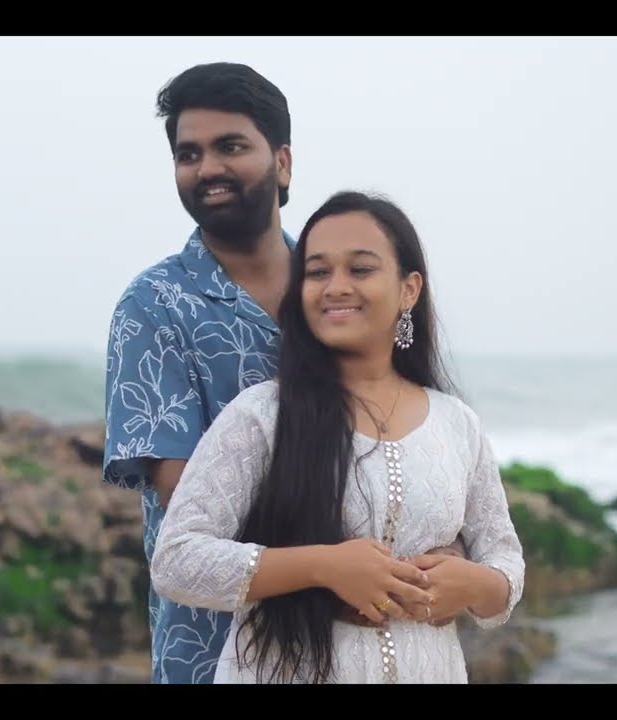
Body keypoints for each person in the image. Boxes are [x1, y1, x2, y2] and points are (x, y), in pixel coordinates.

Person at [101, 62, 465, 685]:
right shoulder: (155, 305)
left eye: (231, 146)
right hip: (217, 640)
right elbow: (179, 486)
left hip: (367, 639)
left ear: (283, 162)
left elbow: (408, 426)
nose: (208, 167)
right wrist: (336, 564)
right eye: (189, 154)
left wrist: (433, 551)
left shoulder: (337, 284)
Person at [148, 189, 525, 684]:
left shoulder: (457, 424)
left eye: (361, 269)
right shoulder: (264, 414)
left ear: (409, 290)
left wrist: (477, 583)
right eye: (318, 272)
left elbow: (505, 559)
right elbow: (177, 559)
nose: (335, 287)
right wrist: (324, 566)